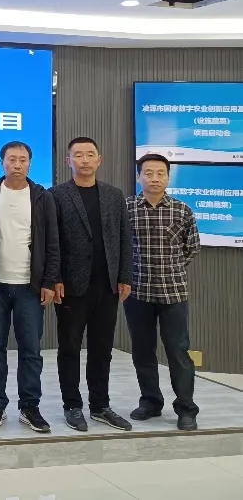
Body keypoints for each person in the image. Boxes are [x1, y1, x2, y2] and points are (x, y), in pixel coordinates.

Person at [50, 137, 133, 432]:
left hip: (107, 285)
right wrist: (55, 278)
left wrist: (125, 276)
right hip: (71, 286)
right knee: (70, 348)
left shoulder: (114, 195)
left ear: (99, 160)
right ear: (68, 161)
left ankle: (100, 405)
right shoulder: (56, 195)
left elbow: (124, 238)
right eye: (78, 155)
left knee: (102, 349)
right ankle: (72, 405)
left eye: (90, 155)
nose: (84, 160)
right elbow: (52, 241)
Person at [0, 141, 60, 433]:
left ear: (30, 163)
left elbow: (53, 242)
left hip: (30, 287)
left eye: (22, 159)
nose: (17, 164)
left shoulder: (42, 197)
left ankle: (30, 406)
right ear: (1, 162)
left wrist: (49, 281)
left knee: (31, 350)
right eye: (11, 159)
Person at [125, 153, 201, 431]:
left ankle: (186, 408)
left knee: (178, 352)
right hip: (138, 293)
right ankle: (150, 402)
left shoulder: (182, 210)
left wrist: (172, 270)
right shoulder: (127, 208)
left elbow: (191, 248)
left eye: (160, 173)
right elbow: (120, 248)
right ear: (139, 177)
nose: (154, 178)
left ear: (168, 177)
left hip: (173, 293)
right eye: (148, 173)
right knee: (142, 351)